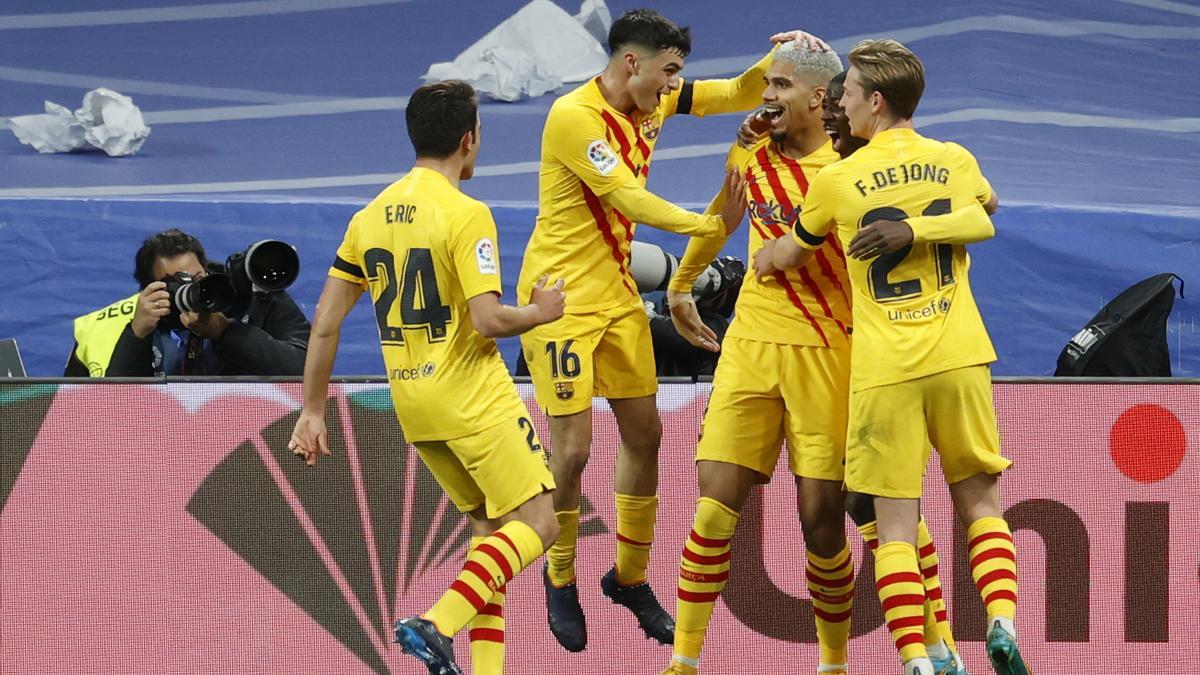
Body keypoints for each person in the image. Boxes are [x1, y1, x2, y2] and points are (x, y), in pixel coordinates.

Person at [517, 7, 824, 652]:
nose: (673, 84)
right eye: (669, 70)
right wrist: (704, 228)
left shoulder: (652, 99)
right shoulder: (574, 118)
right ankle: (560, 572)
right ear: (634, 62)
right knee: (571, 451)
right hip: (560, 301)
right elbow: (625, 196)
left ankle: (628, 578)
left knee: (646, 433)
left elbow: (733, 95)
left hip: (618, 295)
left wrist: (783, 57)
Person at [764, 39, 1028, 675]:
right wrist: (928, 219)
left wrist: (762, 258)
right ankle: (1001, 620)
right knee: (981, 505)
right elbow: (986, 209)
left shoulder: (835, 178)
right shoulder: (955, 158)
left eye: (848, 93)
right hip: (961, 357)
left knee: (896, 531)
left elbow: (791, 253)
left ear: (875, 103)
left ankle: (917, 659)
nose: (840, 103)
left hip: (886, 371)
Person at [288, 80, 565, 675]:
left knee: (490, 532)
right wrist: (540, 312)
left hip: (415, 405)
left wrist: (312, 409)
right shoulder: (467, 214)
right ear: (470, 140)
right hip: (472, 396)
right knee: (540, 524)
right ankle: (435, 623)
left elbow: (326, 319)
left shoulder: (369, 217)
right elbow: (488, 319)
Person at [659, 39, 851, 675]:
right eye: (767, 84)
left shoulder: (849, 168)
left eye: (782, 86)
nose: (767, 97)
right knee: (712, 504)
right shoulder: (749, 148)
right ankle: (683, 663)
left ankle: (833, 665)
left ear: (819, 98)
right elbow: (722, 214)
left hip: (827, 352)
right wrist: (683, 285)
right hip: (750, 343)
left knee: (823, 522)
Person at [64, 228, 310, 377]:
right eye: (177, 283)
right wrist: (136, 334)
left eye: (198, 278)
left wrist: (226, 332)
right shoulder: (117, 322)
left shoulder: (249, 298)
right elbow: (108, 406)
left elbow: (308, 369)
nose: (195, 290)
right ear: (150, 288)